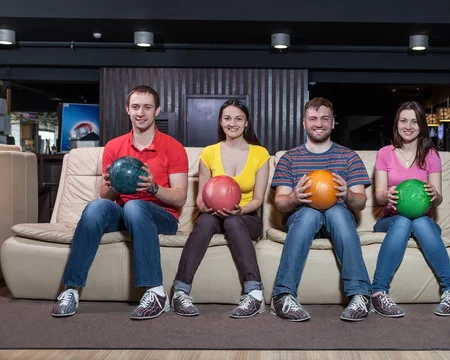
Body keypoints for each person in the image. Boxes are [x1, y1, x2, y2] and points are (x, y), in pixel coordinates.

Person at [51, 85, 189, 320]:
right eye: (135, 107)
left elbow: (180, 197)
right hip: (126, 214)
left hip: (163, 217)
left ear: (157, 110)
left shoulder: (173, 147)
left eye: (147, 107)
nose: (140, 113)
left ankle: (156, 292)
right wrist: (112, 185)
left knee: (135, 206)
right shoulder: (114, 147)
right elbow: (105, 197)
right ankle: (71, 289)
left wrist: (153, 187)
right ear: (127, 109)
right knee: (96, 206)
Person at [270, 97, 372, 322]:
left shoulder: (349, 157)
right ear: (304, 123)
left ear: (333, 123)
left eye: (325, 118)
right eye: (313, 119)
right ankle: (283, 295)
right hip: (301, 219)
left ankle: (360, 295)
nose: (319, 123)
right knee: (310, 212)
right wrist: (295, 197)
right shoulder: (289, 159)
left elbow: (360, 203)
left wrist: (347, 195)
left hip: (340, 219)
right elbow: (280, 203)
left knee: (335, 211)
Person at [172, 99, 270, 318]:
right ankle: (180, 291)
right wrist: (209, 208)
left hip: (246, 217)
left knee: (233, 220)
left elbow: (258, 199)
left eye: (238, 118)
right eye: (227, 118)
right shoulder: (209, 153)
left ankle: (254, 294)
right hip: (213, 215)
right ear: (220, 122)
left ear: (246, 123)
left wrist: (239, 211)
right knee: (204, 220)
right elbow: (199, 199)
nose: (232, 123)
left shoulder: (260, 153)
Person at [370, 101, 450, 318]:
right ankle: (378, 293)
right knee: (403, 220)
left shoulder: (431, 155)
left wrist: (434, 194)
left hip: (424, 219)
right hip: (390, 219)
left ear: (421, 125)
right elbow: (379, 195)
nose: (408, 126)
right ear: (397, 124)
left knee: (418, 221)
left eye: (414, 121)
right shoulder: (385, 153)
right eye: (403, 121)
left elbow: (438, 199)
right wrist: (388, 195)